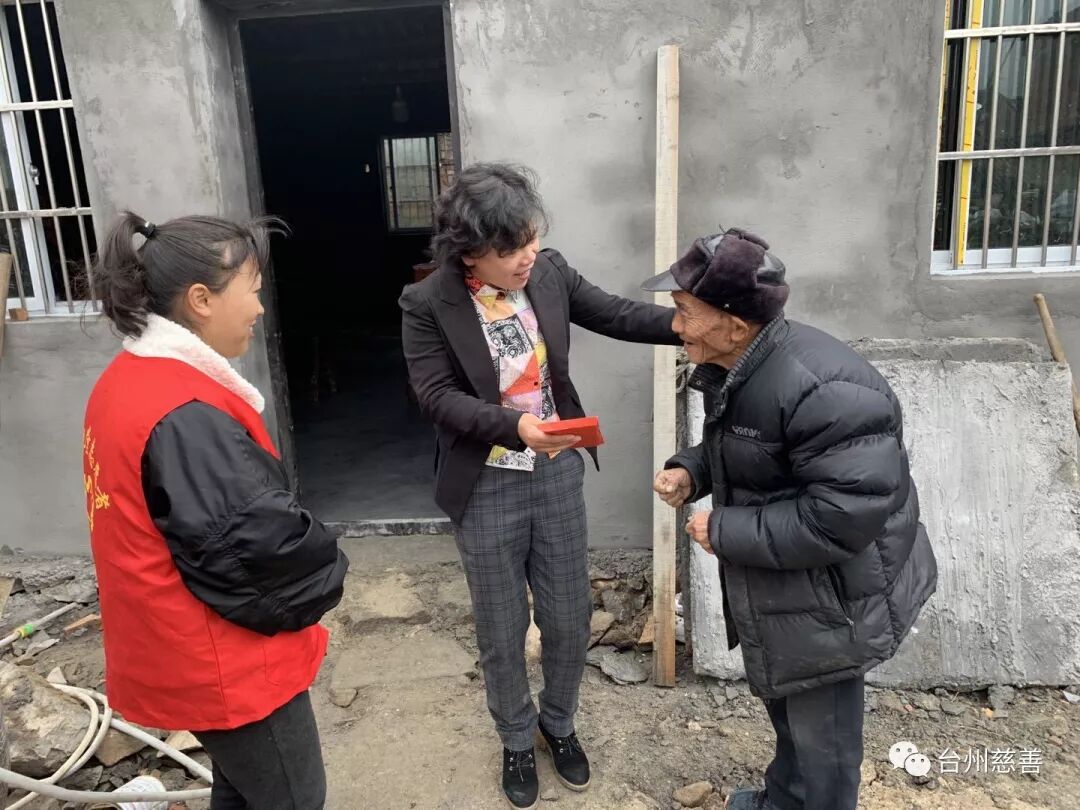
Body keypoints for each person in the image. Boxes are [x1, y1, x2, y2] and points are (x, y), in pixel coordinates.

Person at [399, 163, 680, 809]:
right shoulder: (428, 303)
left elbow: (617, 313)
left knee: (567, 615)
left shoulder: (548, 273)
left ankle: (559, 721)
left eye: (531, 237)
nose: (528, 255)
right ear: (470, 252)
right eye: (511, 248)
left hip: (555, 472)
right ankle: (515, 738)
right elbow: (436, 396)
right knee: (501, 627)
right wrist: (514, 426)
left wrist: (690, 325)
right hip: (485, 483)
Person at [647, 228, 937, 810]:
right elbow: (756, 452)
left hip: (834, 602)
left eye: (684, 311)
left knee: (823, 746)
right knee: (790, 717)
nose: (675, 326)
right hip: (794, 590)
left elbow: (840, 518)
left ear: (735, 325)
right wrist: (693, 471)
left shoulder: (825, 389)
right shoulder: (750, 364)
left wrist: (723, 530)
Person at [84, 212, 349, 810]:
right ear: (201, 300)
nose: (259, 308)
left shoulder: (127, 380)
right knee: (293, 798)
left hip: (169, 641)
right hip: (222, 660)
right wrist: (327, 562)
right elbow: (256, 552)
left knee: (242, 785)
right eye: (251, 290)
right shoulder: (183, 412)